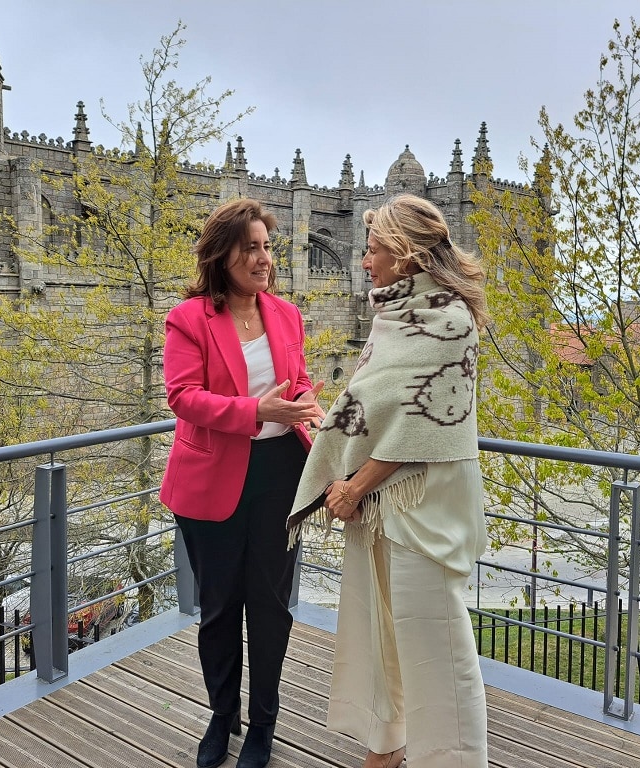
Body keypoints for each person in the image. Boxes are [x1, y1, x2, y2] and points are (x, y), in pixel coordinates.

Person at [288, 194, 490, 768]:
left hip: (422, 503)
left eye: (373, 249)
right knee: (383, 627)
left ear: (405, 255)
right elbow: (379, 411)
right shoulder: (393, 316)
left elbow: (427, 427)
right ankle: (389, 742)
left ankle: (453, 760)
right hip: (382, 503)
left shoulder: (449, 322)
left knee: (437, 641)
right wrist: (342, 458)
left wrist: (353, 486)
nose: (363, 260)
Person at [160, 197, 325, 768]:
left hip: (281, 475)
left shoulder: (286, 315)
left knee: (272, 607)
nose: (263, 259)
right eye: (251, 247)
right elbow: (184, 397)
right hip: (212, 482)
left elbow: (297, 380)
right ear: (223, 254)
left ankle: (263, 727)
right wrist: (257, 411)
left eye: (267, 247)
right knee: (220, 608)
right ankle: (221, 716)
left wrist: (303, 405)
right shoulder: (189, 318)